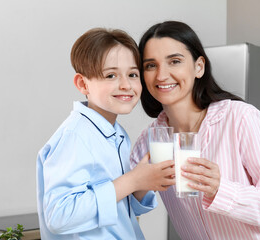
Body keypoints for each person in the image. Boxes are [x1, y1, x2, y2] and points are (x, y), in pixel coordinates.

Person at [130, 21, 260, 239]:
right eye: (150, 65)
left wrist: (220, 189)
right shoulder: (149, 142)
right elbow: (128, 211)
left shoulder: (240, 118)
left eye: (174, 61)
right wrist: (139, 186)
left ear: (199, 67)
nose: (161, 75)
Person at [36, 28, 175, 240]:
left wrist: (144, 183)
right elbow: (58, 216)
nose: (126, 85)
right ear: (83, 84)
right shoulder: (76, 136)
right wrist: (132, 181)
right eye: (111, 75)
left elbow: (118, 210)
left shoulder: (115, 133)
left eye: (132, 74)